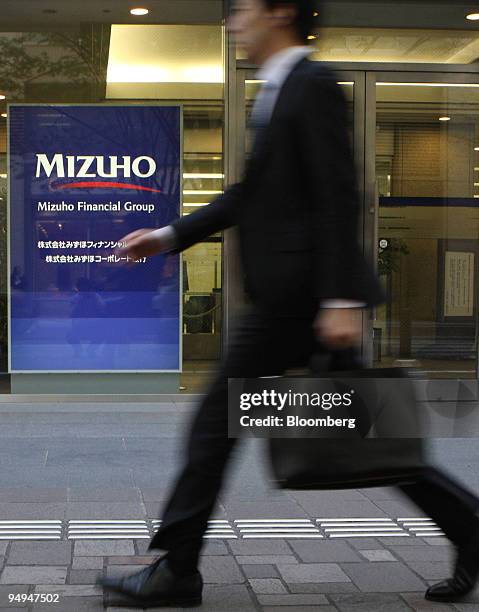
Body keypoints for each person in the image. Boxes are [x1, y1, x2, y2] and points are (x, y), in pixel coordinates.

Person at [98, 0, 479, 606]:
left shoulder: (313, 84)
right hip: (292, 301)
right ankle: (470, 529)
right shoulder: (276, 91)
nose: (232, 23)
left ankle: (177, 569)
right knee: (372, 436)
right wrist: (168, 236)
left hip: (303, 303)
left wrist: (340, 297)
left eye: (241, 10)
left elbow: (336, 194)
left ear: (278, 12)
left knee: (216, 426)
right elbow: (251, 195)